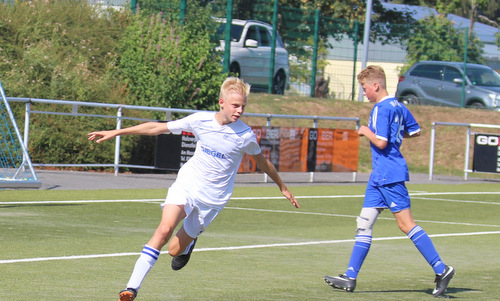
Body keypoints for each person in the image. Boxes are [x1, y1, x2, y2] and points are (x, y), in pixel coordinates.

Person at [88, 77, 300, 301]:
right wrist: (116, 132)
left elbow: (263, 163)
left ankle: (188, 245)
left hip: (212, 200)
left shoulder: (245, 135)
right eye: (235, 105)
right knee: (163, 230)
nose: (239, 110)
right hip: (187, 185)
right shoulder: (201, 120)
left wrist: (282, 187)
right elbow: (157, 128)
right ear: (221, 102)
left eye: (243, 107)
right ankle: (131, 288)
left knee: (173, 251)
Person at [323, 66, 454, 297]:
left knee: (406, 225)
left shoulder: (380, 108)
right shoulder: (399, 106)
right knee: (364, 223)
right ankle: (350, 277)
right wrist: (395, 133)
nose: (364, 93)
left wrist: (366, 131)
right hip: (379, 176)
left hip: (389, 174)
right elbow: (415, 132)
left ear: (376, 85)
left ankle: (442, 269)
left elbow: (381, 143)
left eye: (364, 88)